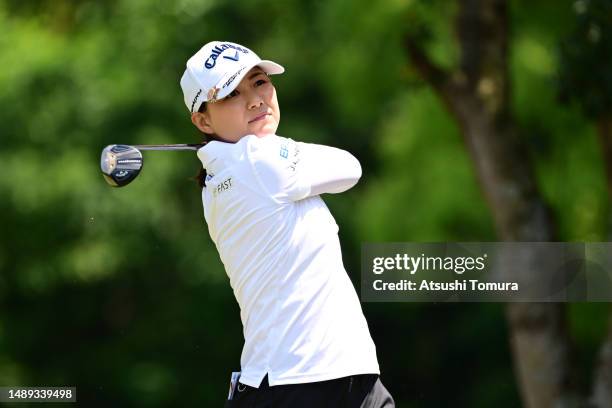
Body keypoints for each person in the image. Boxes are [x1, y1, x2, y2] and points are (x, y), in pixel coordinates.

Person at [180, 41, 395, 407]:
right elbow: (351, 168)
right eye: (232, 93)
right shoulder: (256, 160)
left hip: (340, 377)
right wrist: (271, 145)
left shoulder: (222, 177)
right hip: (297, 385)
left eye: (260, 82)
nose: (255, 100)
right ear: (203, 120)